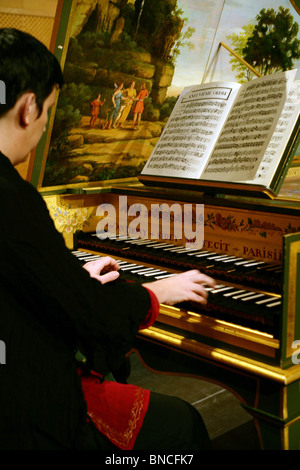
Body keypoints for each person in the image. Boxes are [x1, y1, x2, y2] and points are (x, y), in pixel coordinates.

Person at [0, 28, 216, 450]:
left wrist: (73, 276)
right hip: (25, 413)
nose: (43, 125)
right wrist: (159, 291)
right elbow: (93, 317)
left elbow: (21, 275)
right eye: (47, 112)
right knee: (182, 426)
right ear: (28, 108)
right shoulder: (11, 197)